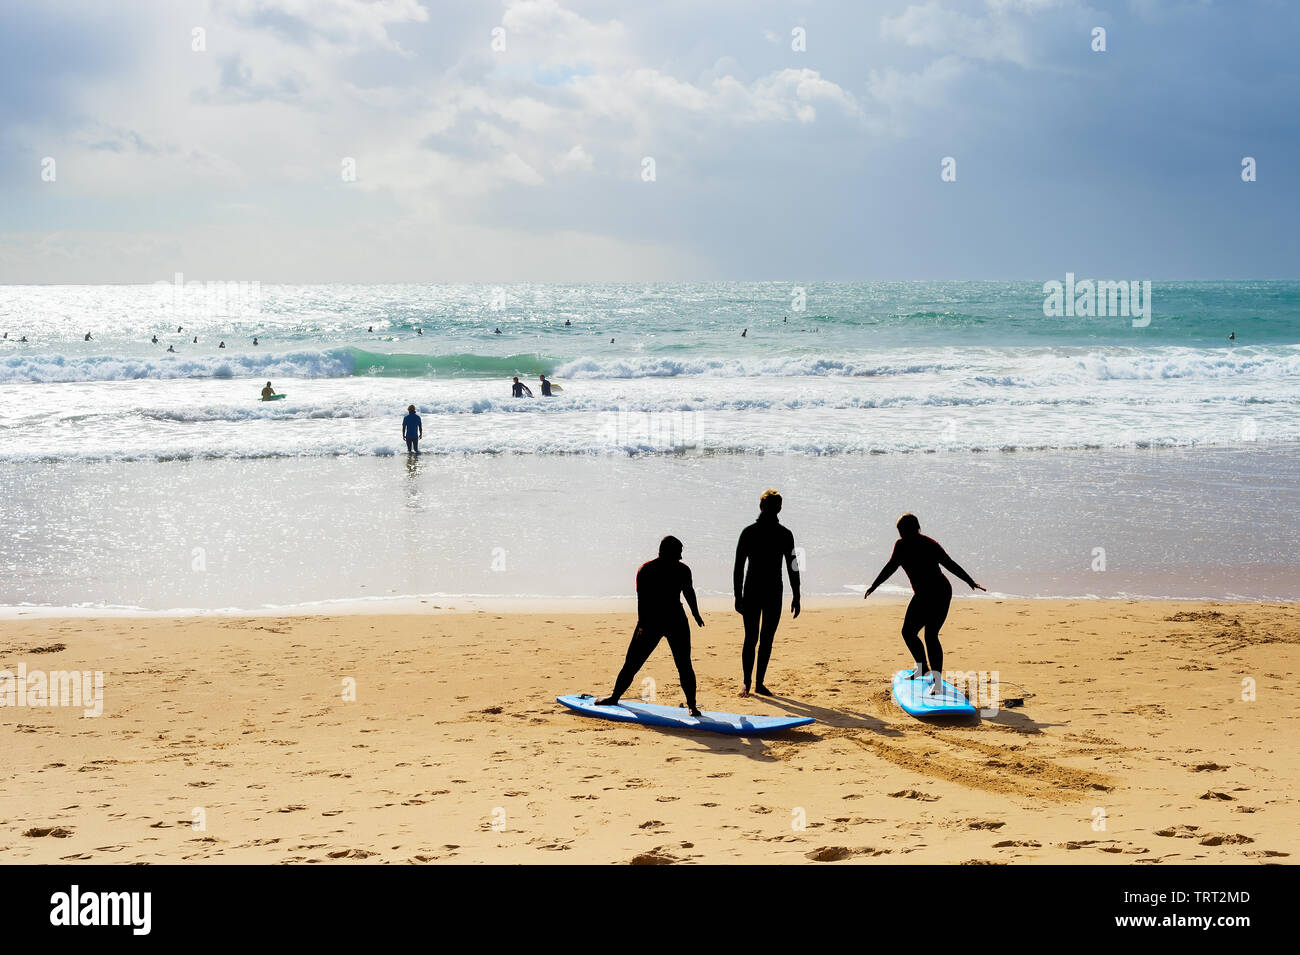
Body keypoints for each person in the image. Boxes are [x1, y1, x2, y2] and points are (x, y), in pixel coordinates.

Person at [863, 513, 985, 695]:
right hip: (921, 595)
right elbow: (891, 567)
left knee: (931, 635)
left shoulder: (929, 544)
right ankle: (922, 668)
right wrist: (874, 585)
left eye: (905, 531)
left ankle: (936, 682)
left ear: (916, 529)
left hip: (940, 594)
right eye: (900, 532)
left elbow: (949, 564)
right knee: (908, 632)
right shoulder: (901, 546)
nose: (902, 535)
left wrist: (969, 581)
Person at [596, 536, 704, 716]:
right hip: (654, 621)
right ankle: (615, 697)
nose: (680, 558)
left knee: (684, 664)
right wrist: (642, 624)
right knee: (632, 662)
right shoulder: (647, 570)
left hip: (672, 620)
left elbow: (689, 592)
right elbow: (642, 600)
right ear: (665, 552)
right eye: (677, 554)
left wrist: (695, 613)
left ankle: (692, 706)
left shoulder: (679, 570)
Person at [733, 488, 800, 697]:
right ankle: (754, 683)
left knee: (753, 638)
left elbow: (738, 567)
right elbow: (794, 567)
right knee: (762, 638)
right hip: (769, 591)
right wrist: (797, 594)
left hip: (755, 589)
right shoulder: (781, 534)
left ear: (761, 506)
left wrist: (737, 595)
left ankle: (751, 683)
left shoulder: (751, 532)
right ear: (778, 508)